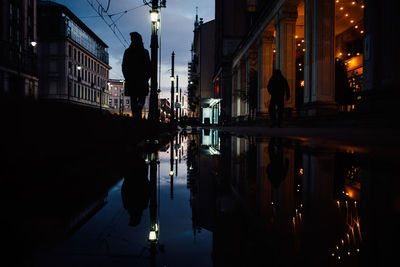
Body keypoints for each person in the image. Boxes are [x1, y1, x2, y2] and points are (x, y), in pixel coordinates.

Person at [122, 32, 151, 119]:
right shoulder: (145, 52)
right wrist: (146, 78)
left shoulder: (127, 52)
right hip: (142, 81)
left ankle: (135, 117)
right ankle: (138, 111)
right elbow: (149, 67)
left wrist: (127, 77)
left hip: (131, 81)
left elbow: (124, 66)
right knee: (141, 98)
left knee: (133, 100)